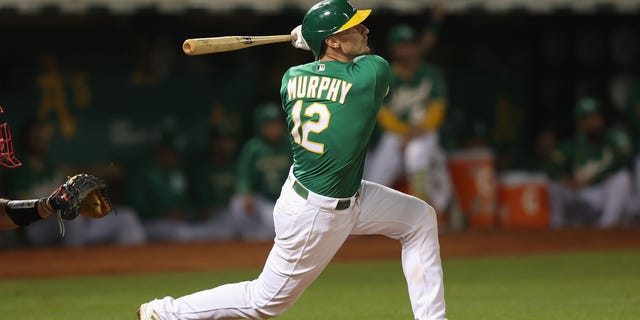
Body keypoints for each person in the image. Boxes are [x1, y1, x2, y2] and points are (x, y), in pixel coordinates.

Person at [137, 1, 446, 319]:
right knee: (263, 302)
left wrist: (316, 49)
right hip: (317, 212)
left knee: (418, 219)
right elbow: (361, 68)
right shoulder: (373, 73)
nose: (365, 30)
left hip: (334, 192)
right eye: (354, 27)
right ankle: (166, 313)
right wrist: (312, 44)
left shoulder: (291, 78)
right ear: (333, 41)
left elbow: (323, 75)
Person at [366, 24, 452, 213]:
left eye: (410, 45)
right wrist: (405, 132)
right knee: (376, 173)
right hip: (397, 133)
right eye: (401, 45)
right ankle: (366, 216)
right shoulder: (388, 75)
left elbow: (438, 109)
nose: (407, 50)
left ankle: (423, 211)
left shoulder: (430, 73)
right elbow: (383, 114)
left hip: (424, 132)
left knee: (416, 155)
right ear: (394, 49)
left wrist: (416, 132)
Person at [546, 97, 633, 228]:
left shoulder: (614, 139)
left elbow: (625, 158)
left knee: (623, 178)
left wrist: (593, 179)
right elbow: (550, 166)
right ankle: (558, 228)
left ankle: (606, 226)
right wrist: (568, 180)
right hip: (581, 194)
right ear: (580, 123)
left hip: (603, 192)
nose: (594, 122)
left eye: (595, 116)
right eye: (588, 118)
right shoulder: (572, 145)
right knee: (554, 186)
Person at [231, 102, 292, 240]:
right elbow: (243, 176)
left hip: (285, 202)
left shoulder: (290, 145)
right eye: (269, 125)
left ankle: (263, 238)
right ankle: (251, 238)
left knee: (277, 227)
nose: (274, 128)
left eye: (276, 124)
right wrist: (246, 192)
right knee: (237, 203)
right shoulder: (253, 148)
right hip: (262, 201)